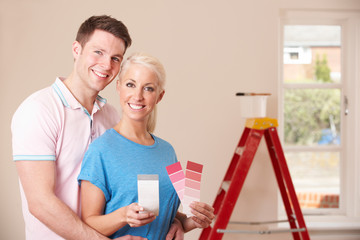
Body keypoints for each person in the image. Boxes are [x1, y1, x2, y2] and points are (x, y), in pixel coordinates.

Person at [12, 15, 151, 240]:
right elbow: (40, 203)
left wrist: (175, 220)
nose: (107, 65)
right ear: (77, 49)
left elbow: (123, 183)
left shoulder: (111, 116)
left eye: (116, 58)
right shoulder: (39, 110)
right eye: (98, 52)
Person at [78, 53, 215, 239]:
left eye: (148, 88)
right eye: (130, 85)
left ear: (159, 96)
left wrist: (193, 220)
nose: (138, 96)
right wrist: (122, 216)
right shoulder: (100, 151)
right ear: (118, 87)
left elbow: (166, 215)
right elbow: (88, 224)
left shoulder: (167, 151)